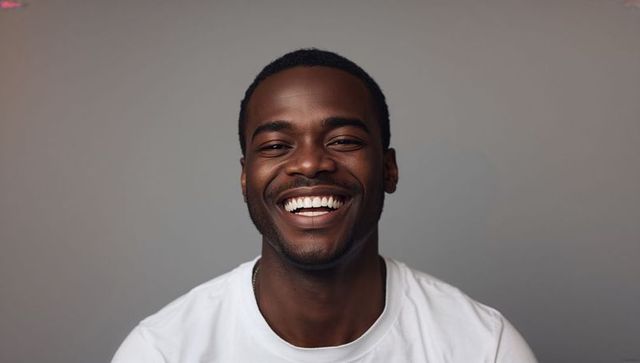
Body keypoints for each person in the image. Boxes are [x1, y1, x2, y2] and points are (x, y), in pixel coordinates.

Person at [112, 48, 538, 362]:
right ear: (245, 177)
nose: (311, 162)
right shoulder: (163, 352)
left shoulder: (483, 349)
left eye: (344, 141)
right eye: (277, 145)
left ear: (388, 169)